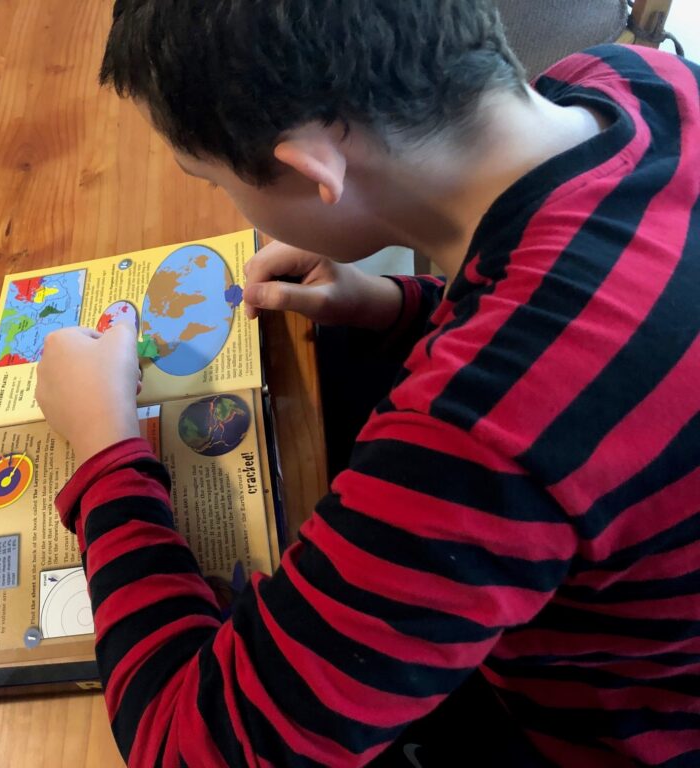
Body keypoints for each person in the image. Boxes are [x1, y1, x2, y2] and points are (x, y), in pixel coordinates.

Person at [35, 1, 700, 765]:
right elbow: (605, 316)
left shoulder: (482, 433)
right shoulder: (635, 81)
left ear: (313, 168)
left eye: (213, 180)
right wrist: (401, 306)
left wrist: (104, 449)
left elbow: (189, 747)